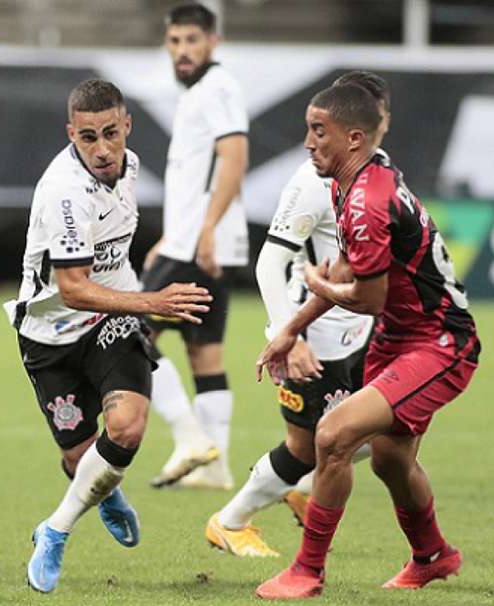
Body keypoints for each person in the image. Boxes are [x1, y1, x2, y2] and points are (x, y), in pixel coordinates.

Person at [254, 83, 480, 599]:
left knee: (331, 436)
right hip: (400, 338)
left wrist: (319, 285)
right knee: (388, 459)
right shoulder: (355, 177)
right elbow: (345, 269)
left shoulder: (365, 200)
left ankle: (307, 572)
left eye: (318, 132)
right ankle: (433, 556)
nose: (308, 142)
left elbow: (367, 297)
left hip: (440, 342)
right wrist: (291, 327)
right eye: (309, 129)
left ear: (353, 138)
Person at [4, 78, 211, 593]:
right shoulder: (64, 194)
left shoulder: (132, 165)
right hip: (50, 333)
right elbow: (73, 289)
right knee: (81, 460)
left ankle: (54, 531)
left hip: (112, 319)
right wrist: (154, 302)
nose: (102, 150)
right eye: (88, 137)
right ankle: (104, 491)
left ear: (127, 127)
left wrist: (141, 300)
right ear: (70, 133)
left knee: (126, 428)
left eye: (111, 134)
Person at [205, 72, 390, 558]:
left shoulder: (380, 171)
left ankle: (301, 488)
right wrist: (289, 333)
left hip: (361, 333)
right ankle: (230, 521)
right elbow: (270, 262)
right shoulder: (312, 182)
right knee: (308, 447)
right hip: (315, 338)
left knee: (387, 426)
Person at [144, 2, 249, 490]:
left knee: (128, 335)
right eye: (175, 42)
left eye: (191, 40)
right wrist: (173, 233)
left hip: (198, 245)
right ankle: (215, 466)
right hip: (195, 240)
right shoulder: (200, 93)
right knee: (205, 352)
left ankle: (190, 439)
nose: (182, 51)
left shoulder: (217, 88)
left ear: (213, 41)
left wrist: (204, 229)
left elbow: (234, 158)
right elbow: (196, 176)